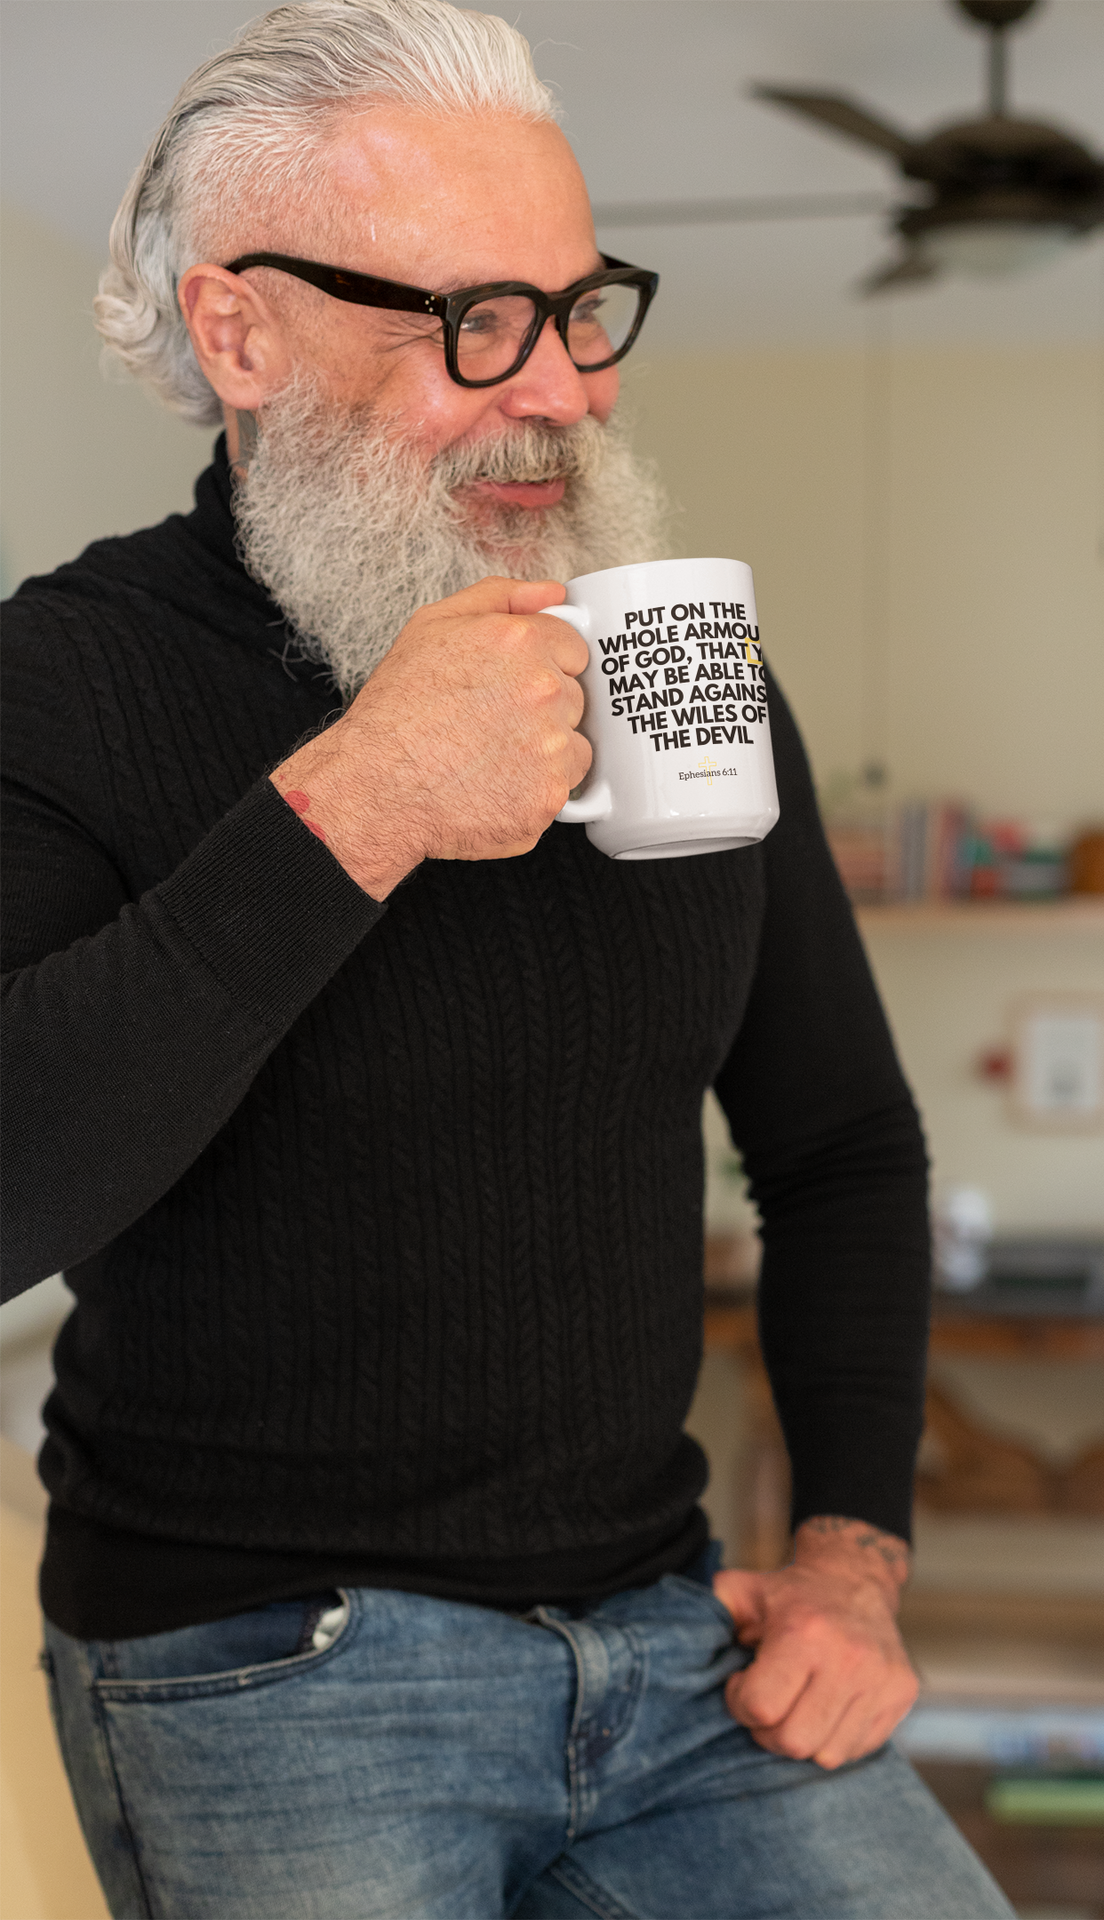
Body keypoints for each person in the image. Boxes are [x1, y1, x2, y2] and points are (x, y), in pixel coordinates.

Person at [0, 3, 1013, 1914]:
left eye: (579, 307)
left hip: (666, 1627)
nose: (564, 389)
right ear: (243, 334)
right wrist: (359, 803)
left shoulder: (680, 667)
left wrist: (853, 1555)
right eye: (475, 321)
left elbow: (843, 1148)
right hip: (266, 1668)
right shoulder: (65, 681)